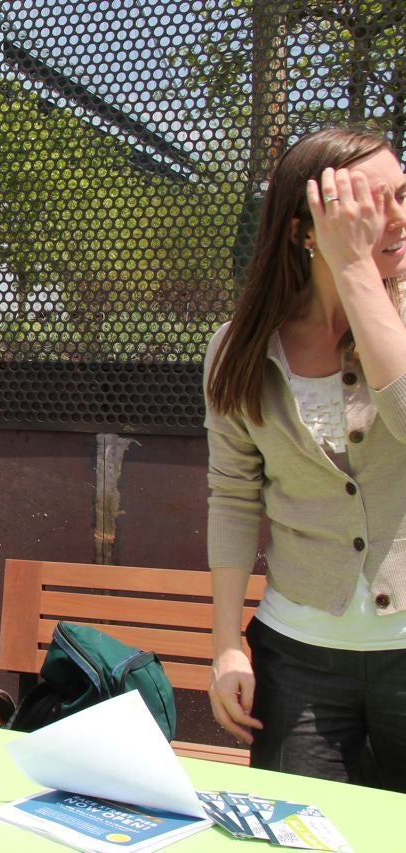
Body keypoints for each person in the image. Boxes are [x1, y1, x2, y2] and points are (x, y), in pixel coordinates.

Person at [205, 126, 406, 790]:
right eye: (374, 204)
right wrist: (228, 643)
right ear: (305, 228)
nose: (397, 218)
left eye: (403, 196)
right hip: (297, 661)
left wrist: (355, 272)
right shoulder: (238, 349)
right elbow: (233, 495)